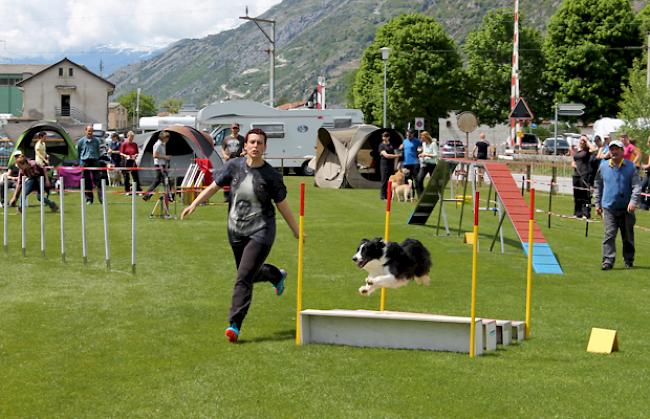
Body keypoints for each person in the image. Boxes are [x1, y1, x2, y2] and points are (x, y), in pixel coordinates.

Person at [181, 128, 300, 343]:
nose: (255, 146)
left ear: (265, 147)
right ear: (245, 146)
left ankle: (234, 324)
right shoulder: (234, 166)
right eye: (252, 142)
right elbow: (214, 186)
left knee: (243, 277)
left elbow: (282, 206)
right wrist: (194, 204)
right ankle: (275, 275)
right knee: (249, 274)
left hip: (261, 230)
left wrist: (296, 230)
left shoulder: (271, 176)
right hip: (236, 230)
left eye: (260, 143)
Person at [594, 140, 642, 270]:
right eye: (612, 149)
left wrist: (633, 201)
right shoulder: (603, 166)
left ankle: (629, 259)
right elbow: (598, 185)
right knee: (609, 235)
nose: (614, 152)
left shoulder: (631, 167)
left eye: (616, 149)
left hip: (626, 208)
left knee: (627, 236)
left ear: (622, 151)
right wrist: (597, 203)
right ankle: (608, 261)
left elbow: (637, 186)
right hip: (609, 207)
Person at [143, 131, 172, 202]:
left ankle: (147, 195)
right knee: (165, 180)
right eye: (167, 138)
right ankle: (169, 197)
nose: (168, 140)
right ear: (163, 137)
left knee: (159, 181)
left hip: (162, 164)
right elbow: (155, 155)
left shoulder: (163, 144)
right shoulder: (158, 144)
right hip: (159, 164)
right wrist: (166, 157)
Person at [77, 125, 102, 204]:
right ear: (85, 131)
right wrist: (80, 162)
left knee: (98, 180)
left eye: (91, 131)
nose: (90, 132)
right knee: (86, 181)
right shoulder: (81, 141)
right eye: (89, 131)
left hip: (94, 161)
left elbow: (98, 151)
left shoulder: (96, 141)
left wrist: (97, 158)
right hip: (85, 162)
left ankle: (101, 198)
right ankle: (89, 199)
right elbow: (78, 152)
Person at [220, 123, 245, 202]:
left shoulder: (242, 138)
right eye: (233, 128)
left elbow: (247, 148)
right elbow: (222, 148)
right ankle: (227, 197)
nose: (235, 130)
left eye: (236, 128)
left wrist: (242, 154)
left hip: (238, 160)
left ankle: (238, 195)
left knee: (238, 178)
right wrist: (224, 155)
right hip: (228, 161)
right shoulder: (226, 138)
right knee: (227, 178)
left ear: (238, 129)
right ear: (231, 129)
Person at [571, 135, 594, 218]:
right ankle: (577, 213)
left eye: (583, 140)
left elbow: (594, 149)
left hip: (584, 174)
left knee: (585, 195)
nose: (581, 142)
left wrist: (587, 140)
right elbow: (574, 159)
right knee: (577, 195)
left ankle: (586, 213)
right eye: (581, 140)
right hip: (576, 175)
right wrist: (573, 163)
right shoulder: (578, 151)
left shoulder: (588, 151)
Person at [378, 131, 400, 200]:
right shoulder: (381, 145)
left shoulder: (392, 145)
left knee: (391, 181)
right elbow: (386, 155)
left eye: (386, 136)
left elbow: (397, 151)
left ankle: (389, 196)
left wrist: (395, 165)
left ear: (389, 137)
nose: (384, 138)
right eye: (383, 136)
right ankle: (383, 196)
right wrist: (396, 156)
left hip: (391, 165)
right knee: (384, 180)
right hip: (384, 165)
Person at [415, 131, 438, 196]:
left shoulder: (433, 144)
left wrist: (426, 155)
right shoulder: (423, 144)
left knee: (433, 182)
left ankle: (435, 195)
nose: (421, 139)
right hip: (425, 164)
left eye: (422, 138)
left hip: (432, 165)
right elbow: (424, 152)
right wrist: (421, 154)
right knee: (419, 179)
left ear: (426, 137)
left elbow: (436, 155)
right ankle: (421, 195)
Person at [120, 131, 142, 195]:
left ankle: (138, 190)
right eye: (130, 137)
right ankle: (127, 190)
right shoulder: (124, 144)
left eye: (132, 137)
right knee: (126, 176)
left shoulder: (135, 144)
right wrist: (126, 156)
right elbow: (121, 153)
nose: (131, 138)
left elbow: (137, 152)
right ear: (128, 136)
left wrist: (135, 155)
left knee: (135, 176)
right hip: (126, 161)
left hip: (133, 161)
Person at [640, 136, 650, 211]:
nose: (647, 143)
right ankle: (643, 206)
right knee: (642, 187)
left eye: (648, 142)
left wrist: (642, 165)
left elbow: (649, 165)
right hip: (648, 173)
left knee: (648, 189)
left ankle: (645, 205)